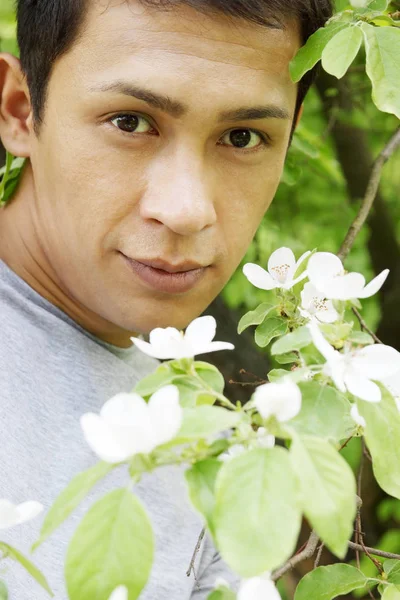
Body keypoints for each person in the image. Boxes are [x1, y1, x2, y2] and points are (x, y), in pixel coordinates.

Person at [0, 0, 332, 597]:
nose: (186, 210)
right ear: (20, 110)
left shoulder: (220, 452)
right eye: (130, 122)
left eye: (242, 136)